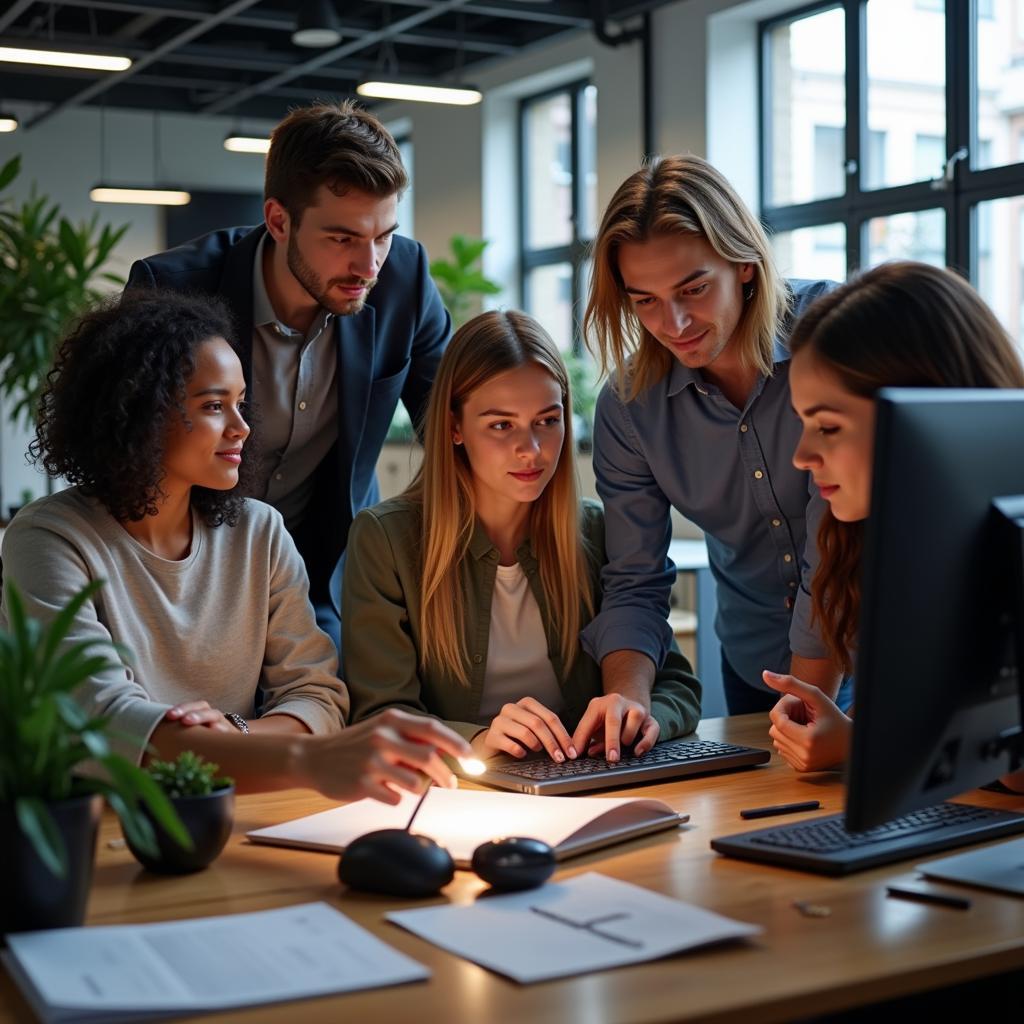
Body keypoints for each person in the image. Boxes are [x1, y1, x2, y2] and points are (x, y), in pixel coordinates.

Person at [0, 290, 471, 803]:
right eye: (213, 406)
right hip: (107, 825)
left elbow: (316, 696)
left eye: (240, 403)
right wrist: (302, 758)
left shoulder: (258, 532)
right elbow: (108, 727)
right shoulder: (49, 538)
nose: (242, 427)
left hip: (245, 807)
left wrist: (230, 738)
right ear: (140, 413)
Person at [126, 100, 450, 650]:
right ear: (279, 220)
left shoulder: (403, 280)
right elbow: (128, 457)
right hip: (190, 570)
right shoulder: (172, 290)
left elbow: (453, 427)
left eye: (383, 235)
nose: (369, 266)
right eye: (343, 238)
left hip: (324, 576)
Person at [342, 310, 701, 763]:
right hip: (459, 793)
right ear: (454, 427)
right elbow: (379, 714)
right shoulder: (385, 539)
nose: (531, 450)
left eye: (547, 421)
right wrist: (476, 741)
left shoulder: (598, 530)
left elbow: (677, 685)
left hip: (586, 780)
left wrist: (637, 716)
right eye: (500, 425)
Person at [580, 154, 843, 725]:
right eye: (643, 300)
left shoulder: (836, 330)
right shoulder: (629, 407)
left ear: (744, 263)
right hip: (755, 662)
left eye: (693, 289)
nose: (673, 323)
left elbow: (839, 541)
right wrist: (627, 700)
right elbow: (634, 577)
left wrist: (803, 705)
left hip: (879, 653)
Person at [762, 261, 1024, 793]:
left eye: (828, 426)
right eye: (803, 423)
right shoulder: (910, 552)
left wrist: (863, 744)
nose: (802, 456)